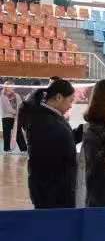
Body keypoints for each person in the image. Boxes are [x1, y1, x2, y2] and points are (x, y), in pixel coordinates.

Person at [20, 79, 83, 208]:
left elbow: (65, 140)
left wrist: (82, 131)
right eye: (70, 101)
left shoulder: (51, 116)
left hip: (56, 188)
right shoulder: (42, 120)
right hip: (51, 191)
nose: (71, 106)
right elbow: (54, 153)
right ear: (59, 97)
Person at [1, 84, 27, 153]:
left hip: (16, 117)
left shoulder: (16, 95)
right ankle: (7, 149)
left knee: (18, 132)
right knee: (7, 133)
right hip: (6, 117)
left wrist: (19, 113)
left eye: (12, 86)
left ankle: (23, 149)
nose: (11, 87)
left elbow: (20, 105)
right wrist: (16, 112)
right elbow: (7, 109)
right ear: (6, 87)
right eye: (9, 86)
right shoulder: (3, 96)